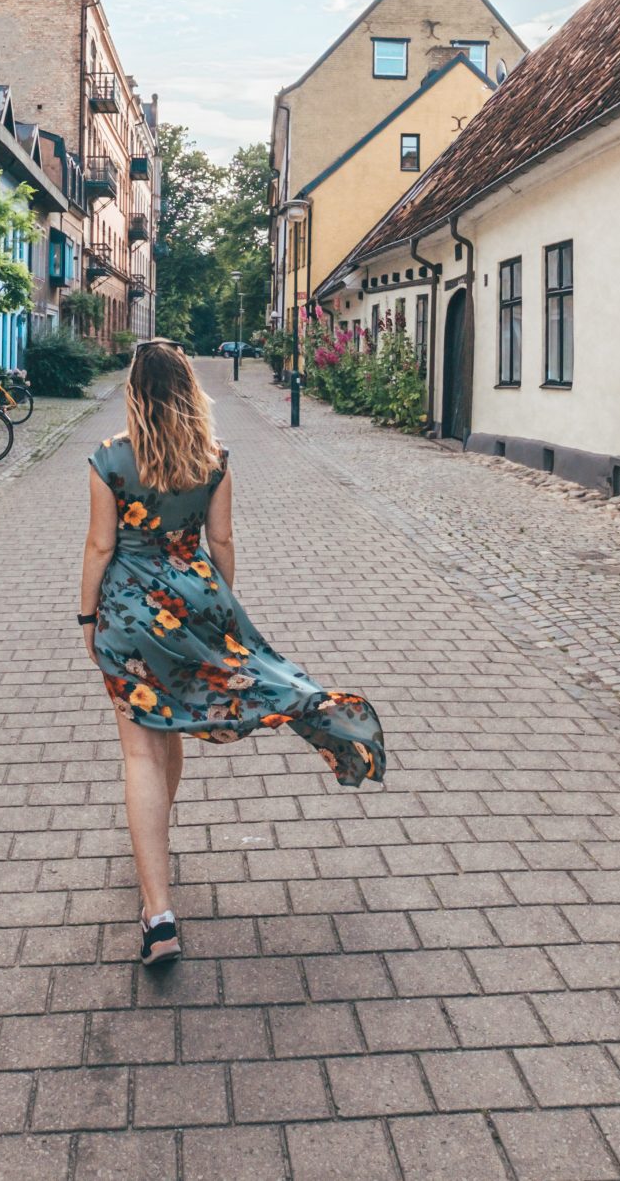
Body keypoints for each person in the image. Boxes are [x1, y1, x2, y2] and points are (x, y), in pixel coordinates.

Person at [79, 340, 385, 967]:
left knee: (141, 746)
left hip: (129, 613)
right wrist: (219, 615)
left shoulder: (109, 457)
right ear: (189, 388)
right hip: (193, 602)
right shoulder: (212, 458)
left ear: (134, 391)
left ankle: (157, 913)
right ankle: (155, 853)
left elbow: (98, 546)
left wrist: (88, 617)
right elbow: (221, 539)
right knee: (172, 737)